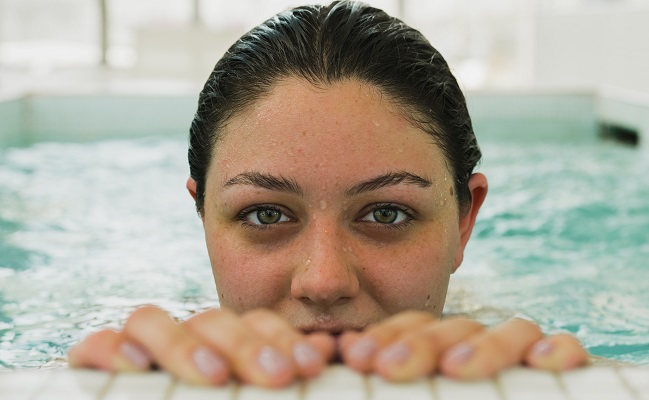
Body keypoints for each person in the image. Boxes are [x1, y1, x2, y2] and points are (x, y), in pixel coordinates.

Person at [68, 1, 588, 388]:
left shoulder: (518, 351)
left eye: (387, 214)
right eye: (265, 214)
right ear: (203, 218)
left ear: (463, 221)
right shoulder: (145, 353)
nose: (324, 282)